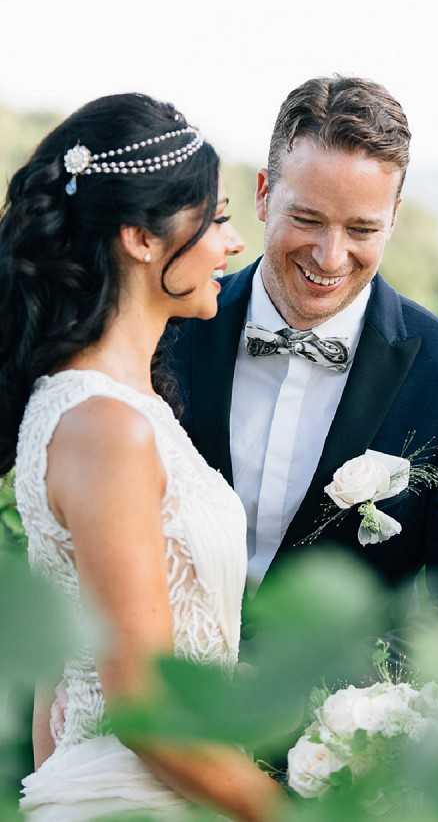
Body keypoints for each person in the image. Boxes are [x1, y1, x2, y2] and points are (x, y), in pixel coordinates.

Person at [0, 94, 281, 821]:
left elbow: (56, 685)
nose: (232, 244)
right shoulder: (105, 425)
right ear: (141, 238)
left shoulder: (104, 407)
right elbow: (146, 709)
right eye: (216, 219)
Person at [169, 76, 438, 639]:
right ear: (264, 194)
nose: (330, 257)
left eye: (361, 228)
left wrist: (346, 711)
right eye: (307, 219)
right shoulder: (171, 332)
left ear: (394, 217)